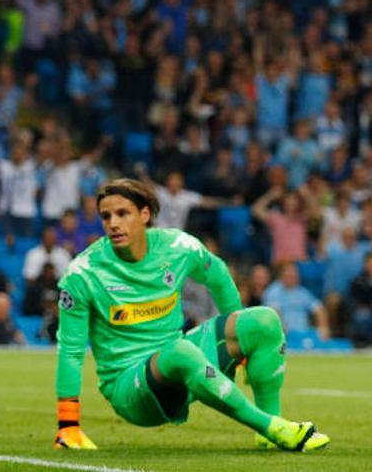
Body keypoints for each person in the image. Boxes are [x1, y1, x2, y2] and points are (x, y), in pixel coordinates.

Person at [54, 179, 329, 452]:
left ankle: (269, 435)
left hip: (181, 360)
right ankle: (275, 429)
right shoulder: (83, 273)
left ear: (144, 215)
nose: (113, 223)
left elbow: (219, 276)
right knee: (180, 351)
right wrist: (68, 425)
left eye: (122, 213)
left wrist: (239, 335)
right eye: (106, 216)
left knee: (264, 321)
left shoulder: (177, 246)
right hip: (130, 389)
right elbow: (71, 349)